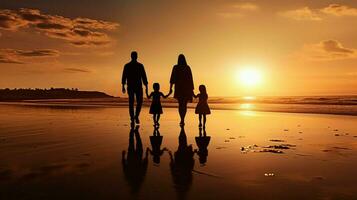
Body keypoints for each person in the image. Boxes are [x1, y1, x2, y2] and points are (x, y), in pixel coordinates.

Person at [122, 51, 148, 124]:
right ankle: (133, 117)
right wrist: (123, 85)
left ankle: (135, 116)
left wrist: (146, 85)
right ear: (134, 56)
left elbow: (144, 76)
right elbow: (124, 76)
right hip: (132, 86)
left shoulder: (139, 65)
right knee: (133, 102)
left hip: (136, 86)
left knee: (137, 102)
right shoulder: (127, 65)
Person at [169, 54, 194, 126]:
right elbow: (190, 79)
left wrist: (170, 88)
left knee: (181, 104)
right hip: (186, 88)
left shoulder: (176, 67)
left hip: (179, 88)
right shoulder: (187, 67)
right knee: (184, 105)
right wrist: (192, 90)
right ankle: (183, 119)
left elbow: (172, 79)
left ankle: (182, 118)